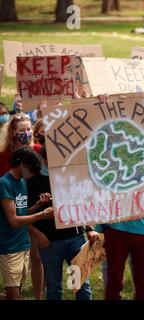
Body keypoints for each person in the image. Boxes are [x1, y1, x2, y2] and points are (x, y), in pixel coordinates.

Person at [28, 146, 97, 300]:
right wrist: (38, 235)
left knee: (81, 284)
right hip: (50, 243)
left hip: (76, 239)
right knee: (53, 286)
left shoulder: (71, 176)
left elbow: (82, 204)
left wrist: (89, 228)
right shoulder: (33, 181)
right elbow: (23, 216)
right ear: (43, 161)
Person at [0, 146, 54, 300]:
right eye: (32, 170)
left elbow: (21, 213)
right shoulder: (5, 184)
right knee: (14, 295)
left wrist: (37, 206)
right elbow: (14, 221)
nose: (33, 175)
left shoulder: (22, 182)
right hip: (10, 247)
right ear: (23, 164)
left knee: (15, 294)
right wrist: (42, 214)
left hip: (23, 244)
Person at [0, 113, 41, 177]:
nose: (26, 133)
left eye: (29, 129)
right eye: (22, 130)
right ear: (13, 132)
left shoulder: (38, 149)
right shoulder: (4, 154)